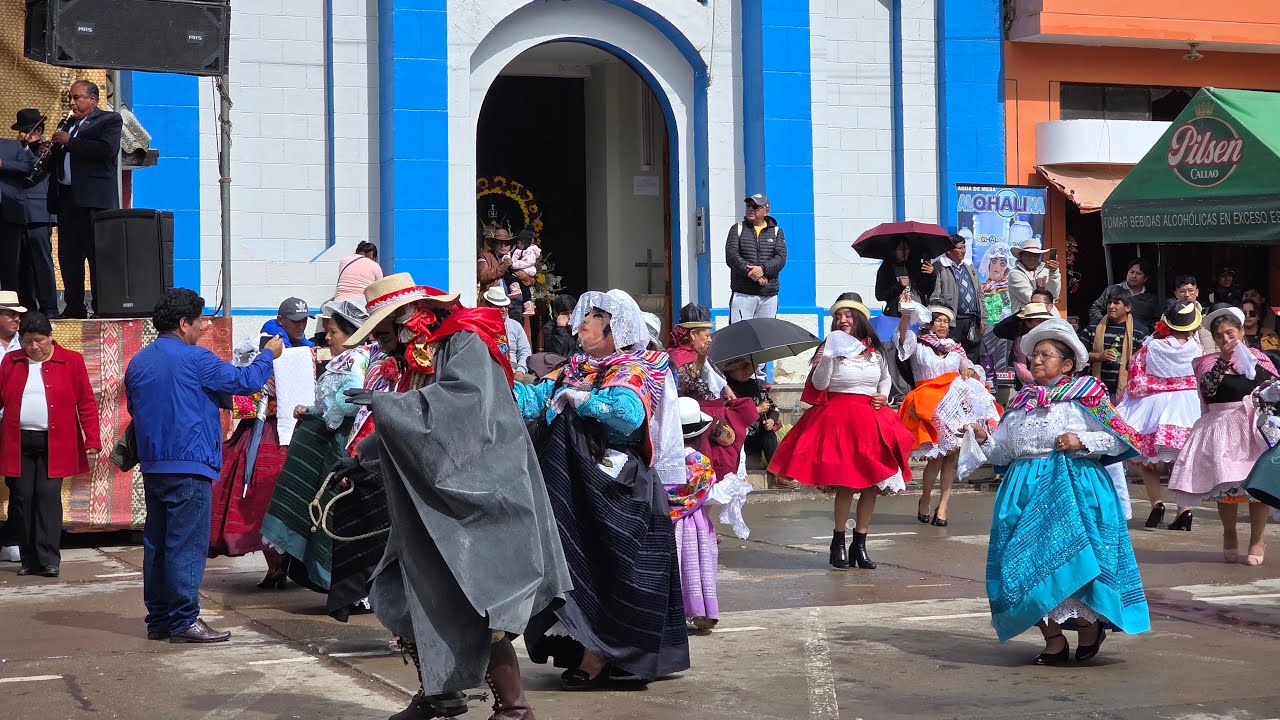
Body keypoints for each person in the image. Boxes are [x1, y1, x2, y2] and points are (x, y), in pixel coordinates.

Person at [334, 272, 571, 720]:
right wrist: (360, 457)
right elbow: (412, 427)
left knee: (483, 599)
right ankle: (440, 693)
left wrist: (385, 406)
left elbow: (463, 408)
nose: (381, 345)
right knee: (417, 593)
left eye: (384, 333)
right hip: (437, 502)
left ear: (410, 320)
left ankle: (514, 707)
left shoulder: (464, 345)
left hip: (487, 496)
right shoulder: (416, 360)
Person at [513, 289, 689, 690]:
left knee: (613, 571)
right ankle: (589, 649)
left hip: (617, 485)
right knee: (577, 566)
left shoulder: (632, 368)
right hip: (577, 484)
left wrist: (585, 400)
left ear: (615, 329)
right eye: (585, 315)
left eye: (593, 317)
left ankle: (602, 657)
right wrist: (499, 386)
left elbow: (626, 415)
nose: (583, 322)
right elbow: (536, 398)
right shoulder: (575, 366)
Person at [962, 319, 1149, 664]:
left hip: (1075, 489)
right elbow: (1003, 453)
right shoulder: (1020, 402)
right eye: (1033, 355)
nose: (1036, 361)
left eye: (1045, 356)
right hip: (1022, 493)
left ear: (1066, 365)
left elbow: (1124, 438)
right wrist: (984, 436)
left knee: (1073, 564)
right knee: (1020, 567)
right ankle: (1053, 639)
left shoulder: (1086, 396)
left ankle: (1088, 628)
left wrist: (1083, 440)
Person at [125, 288, 282, 642]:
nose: (200, 329)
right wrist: (267, 356)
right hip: (190, 464)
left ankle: (161, 619)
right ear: (183, 324)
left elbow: (137, 412)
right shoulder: (196, 359)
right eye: (198, 323)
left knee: (159, 544)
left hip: (154, 464)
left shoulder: (138, 362)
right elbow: (246, 382)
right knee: (186, 545)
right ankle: (184, 620)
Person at [768, 296, 914, 570]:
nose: (842, 320)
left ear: (858, 319)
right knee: (847, 482)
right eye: (839, 316)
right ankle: (838, 541)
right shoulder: (829, 349)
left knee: (873, 482)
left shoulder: (875, 351)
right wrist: (829, 357)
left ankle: (860, 543)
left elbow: (884, 380)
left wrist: (882, 396)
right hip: (841, 419)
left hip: (872, 418)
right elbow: (820, 383)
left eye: (848, 315)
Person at [261, 300, 371, 594]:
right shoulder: (342, 361)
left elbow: (355, 400)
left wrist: (325, 412)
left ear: (352, 334)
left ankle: (344, 582)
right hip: (331, 442)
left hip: (344, 445)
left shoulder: (358, 361)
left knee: (335, 511)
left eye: (333, 331)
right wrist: (310, 410)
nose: (328, 337)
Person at [1168, 306, 1277, 560]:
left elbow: (1273, 388)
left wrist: (1260, 380)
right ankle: (1229, 532)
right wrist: (1224, 361)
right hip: (1222, 426)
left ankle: (1257, 540)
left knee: (1257, 484)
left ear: (1241, 331)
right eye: (1219, 336)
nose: (1226, 340)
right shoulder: (1208, 363)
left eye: (1230, 333)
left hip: (1254, 426)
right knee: (1226, 484)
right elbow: (1208, 391)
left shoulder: (1259, 358)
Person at [0, 312, 99, 577]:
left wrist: (92, 438)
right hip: (18, 441)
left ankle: (48, 558)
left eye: (39, 340)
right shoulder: (11, 361)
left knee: (47, 495)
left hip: (55, 442)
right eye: (27, 341)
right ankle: (28, 559)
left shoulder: (72, 361)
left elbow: (86, 403)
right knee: (21, 497)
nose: (33, 347)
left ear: (50, 338)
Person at [896, 301, 1001, 526]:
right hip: (929, 402)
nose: (942, 325)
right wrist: (906, 314)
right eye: (938, 320)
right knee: (935, 457)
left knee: (950, 456)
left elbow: (973, 368)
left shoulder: (955, 348)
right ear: (929, 322)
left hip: (952, 405)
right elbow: (902, 339)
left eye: (946, 321)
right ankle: (925, 498)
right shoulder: (919, 343)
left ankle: (943, 506)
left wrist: (970, 370)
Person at [1115, 302, 1205, 530]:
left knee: (1147, 461)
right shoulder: (1196, 348)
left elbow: (1133, 367)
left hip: (1154, 404)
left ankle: (1157, 505)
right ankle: (1184, 510)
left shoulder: (1153, 346)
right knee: (1180, 462)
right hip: (1187, 406)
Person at [46, 81, 122, 319]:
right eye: (70, 97)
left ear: (93, 99)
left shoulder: (109, 120)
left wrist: (70, 141)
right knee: (68, 256)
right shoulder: (68, 124)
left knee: (96, 255)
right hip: (67, 199)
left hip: (93, 201)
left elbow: (105, 150)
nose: (72, 103)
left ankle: (102, 306)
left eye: (77, 97)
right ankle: (74, 305)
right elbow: (58, 158)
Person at [670, 397, 720, 632]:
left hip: (668, 522)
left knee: (675, 566)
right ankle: (702, 612)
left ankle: (672, 612)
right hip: (695, 523)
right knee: (697, 565)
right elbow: (707, 493)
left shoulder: (662, 460)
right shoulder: (700, 462)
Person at [0, 109, 57, 314]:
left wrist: (25, 149)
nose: (23, 136)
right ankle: (28, 306)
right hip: (15, 214)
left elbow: (34, 170)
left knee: (41, 262)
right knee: (21, 265)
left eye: (27, 131)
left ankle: (50, 307)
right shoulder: (17, 149)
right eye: (21, 131)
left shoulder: (45, 149)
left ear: (38, 131)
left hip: (38, 213)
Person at [725, 193, 786, 324]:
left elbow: (780, 258)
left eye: (755, 206)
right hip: (743, 293)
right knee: (740, 335)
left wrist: (763, 269)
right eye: (748, 205)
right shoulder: (737, 229)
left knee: (766, 336)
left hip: (768, 295)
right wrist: (753, 273)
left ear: (766, 211)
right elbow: (732, 256)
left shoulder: (777, 232)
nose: (750, 209)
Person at [1080, 290, 1149, 401]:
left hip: (1127, 392)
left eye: (1116, 303)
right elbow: (1078, 355)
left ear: (1128, 308)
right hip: (1095, 390)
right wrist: (1099, 356)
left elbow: (1145, 361)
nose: (1111, 306)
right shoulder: (1094, 326)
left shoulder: (1140, 330)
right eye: (1109, 303)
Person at [722, 356, 782, 480]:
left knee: (769, 434)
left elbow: (773, 408)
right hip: (736, 436)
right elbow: (730, 416)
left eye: (748, 367)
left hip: (756, 435)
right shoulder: (726, 389)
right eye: (741, 368)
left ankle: (778, 473)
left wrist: (771, 420)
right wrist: (756, 410)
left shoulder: (756, 387)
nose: (746, 371)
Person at [931, 234, 984, 362]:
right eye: (959, 248)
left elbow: (979, 293)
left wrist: (983, 318)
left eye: (964, 247)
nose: (963, 251)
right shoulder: (940, 267)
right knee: (951, 355)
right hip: (954, 321)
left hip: (972, 320)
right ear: (949, 250)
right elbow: (935, 296)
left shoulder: (969, 266)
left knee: (972, 355)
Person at [997, 301, 1057, 387]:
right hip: (1031, 386)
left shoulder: (1052, 338)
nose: (1042, 323)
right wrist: (1041, 382)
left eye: (1044, 320)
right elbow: (1021, 371)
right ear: (1028, 323)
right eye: (1038, 321)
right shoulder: (1021, 340)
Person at [1089, 258, 1160, 331]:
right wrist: (1103, 325)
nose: (1134, 276)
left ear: (1145, 278)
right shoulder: (1112, 290)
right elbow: (1095, 308)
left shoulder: (1151, 298)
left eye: (1138, 273)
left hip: (1138, 338)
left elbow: (1156, 322)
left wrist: (1143, 332)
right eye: (1131, 272)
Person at [873, 238, 936, 319]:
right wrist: (899, 285)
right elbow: (880, 295)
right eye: (900, 249)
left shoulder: (916, 266)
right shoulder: (886, 269)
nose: (904, 252)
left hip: (918, 314)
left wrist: (931, 275)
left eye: (907, 249)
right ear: (894, 250)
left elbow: (927, 290)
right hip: (896, 314)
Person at [481, 285, 532, 374]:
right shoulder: (481, 326)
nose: (503, 309)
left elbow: (525, 350)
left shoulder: (515, 326)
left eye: (506, 306)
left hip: (514, 367)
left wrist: (521, 370)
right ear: (489, 307)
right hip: (490, 368)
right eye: (499, 306)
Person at [1006, 238, 1061, 315]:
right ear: (1021, 255)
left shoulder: (1047, 270)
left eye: (1035, 255)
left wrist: (1054, 272)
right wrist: (1042, 292)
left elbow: (1053, 295)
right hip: (1025, 319)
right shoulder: (1015, 273)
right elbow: (1031, 299)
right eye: (1028, 254)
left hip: (1049, 317)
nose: (1032, 258)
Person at [1170, 275, 1216, 352]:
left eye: (1190, 290)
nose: (1187, 295)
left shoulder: (1208, 315)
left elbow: (1218, 344)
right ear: (1176, 294)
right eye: (1182, 291)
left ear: (1197, 292)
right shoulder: (1168, 317)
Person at [477, 228, 515, 292]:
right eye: (500, 243)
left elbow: (531, 280)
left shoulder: (516, 256)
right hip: (492, 299)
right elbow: (482, 276)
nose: (503, 245)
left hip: (515, 300)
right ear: (494, 244)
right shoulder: (485, 257)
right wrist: (503, 267)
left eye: (506, 243)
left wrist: (526, 278)